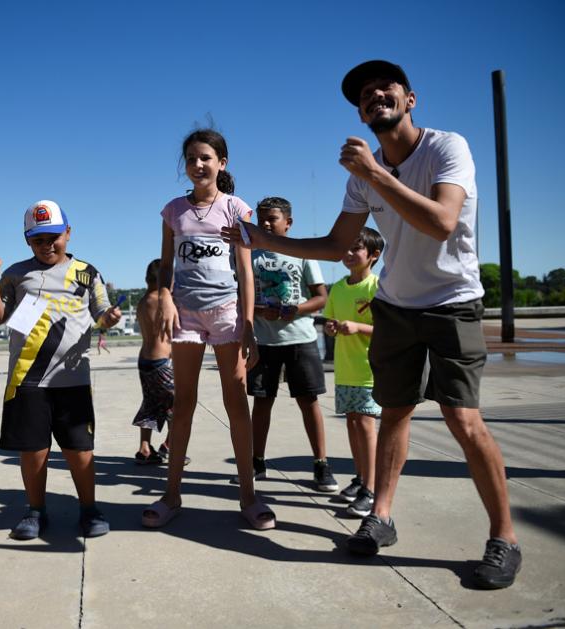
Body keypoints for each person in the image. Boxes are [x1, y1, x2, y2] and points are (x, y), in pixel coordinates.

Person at [221, 60, 521, 588]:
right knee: (395, 413)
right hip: (396, 306)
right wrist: (265, 240)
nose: (375, 95)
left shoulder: (447, 148)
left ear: (410, 98)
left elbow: (442, 222)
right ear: (361, 113)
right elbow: (337, 247)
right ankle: (381, 516)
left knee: (463, 420)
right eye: (364, 94)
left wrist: (376, 175)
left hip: (453, 303)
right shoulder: (363, 177)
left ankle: (504, 538)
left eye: (386, 87)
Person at [142, 128, 275, 531]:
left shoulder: (237, 208)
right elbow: (166, 264)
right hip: (185, 314)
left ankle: (249, 497)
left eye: (205, 158)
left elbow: (245, 272)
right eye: (191, 159)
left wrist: (248, 324)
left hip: (226, 314)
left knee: (236, 401)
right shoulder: (173, 210)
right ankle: (171, 494)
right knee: (183, 403)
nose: (197, 165)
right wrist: (165, 295)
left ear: (222, 162)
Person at [0, 200, 122, 540]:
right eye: (38, 239)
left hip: (72, 378)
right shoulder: (16, 274)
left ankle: (89, 509)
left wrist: (109, 319)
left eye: (54, 237)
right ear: (27, 240)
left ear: (68, 233)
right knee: (33, 450)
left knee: (80, 450)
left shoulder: (87, 272)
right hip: (27, 377)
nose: (47, 245)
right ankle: (35, 510)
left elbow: (101, 311)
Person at [244, 196, 337, 493]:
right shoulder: (249, 255)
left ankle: (321, 464)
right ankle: (256, 462)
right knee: (262, 401)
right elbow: (240, 296)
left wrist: (295, 309)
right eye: (261, 219)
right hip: (264, 341)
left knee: (308, 402)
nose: (266, 224)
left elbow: (321, 297)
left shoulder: (303, 253)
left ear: (289, 223)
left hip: (301, 338)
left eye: (272, 218)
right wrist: (258, 312)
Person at [323, 226, 385, 518]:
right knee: (352, 423)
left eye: (356, 248)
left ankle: (371, 490)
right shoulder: (338, 288)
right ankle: (361, 478)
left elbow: (388, 329)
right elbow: (329, 321)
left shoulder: (377, 287)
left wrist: (359, 327)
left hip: (368, 370)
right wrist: (332, 327)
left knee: (365, 426)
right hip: (345, 370)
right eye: (346, 248)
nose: (348, 254)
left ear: (374, 255)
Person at [132, 258, 188, 466]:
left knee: (151, 404)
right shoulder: (160, 301)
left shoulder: (143, 300)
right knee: (179, 405)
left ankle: (144, 449)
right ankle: (170, 446)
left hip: (145, 360)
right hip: (161, 363)